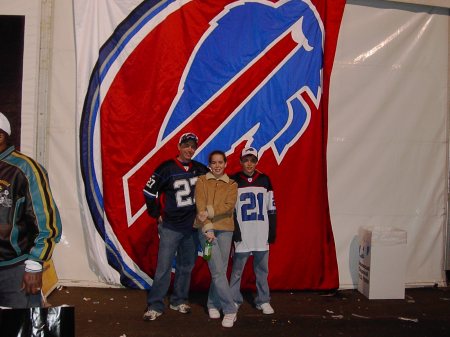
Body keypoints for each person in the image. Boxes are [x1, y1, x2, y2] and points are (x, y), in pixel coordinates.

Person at [142, 132, 208, 321]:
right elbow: (148, 191)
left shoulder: (200, 169)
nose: (190, 149)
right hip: (171, 226)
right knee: (163, 267)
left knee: (186, 266)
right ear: (179, 146)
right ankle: (155, 304)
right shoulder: (166, 168)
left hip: (192, 227)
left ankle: (178, 300)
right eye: (186, 145)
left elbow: (213, 190)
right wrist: (157, 214)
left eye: (193, 146)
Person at [0, 112, 62, 308]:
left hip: (14, 268)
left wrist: (35, 264)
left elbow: (47, 222)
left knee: (21, 327)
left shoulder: (26, 169)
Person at [229, 147, 277, 314]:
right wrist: (235, 230)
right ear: (241, 161)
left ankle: (263, 300)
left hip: (261, 233)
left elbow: (271, 207)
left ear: (257, 161)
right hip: (243, 233)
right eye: (246, 160)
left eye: (252, 160)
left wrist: (272, 229)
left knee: (262, 271)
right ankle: (234, 299)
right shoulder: (233, 180)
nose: (249, 163)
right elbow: (230, 209)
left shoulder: (264, 179)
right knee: (236, 271)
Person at [194, 150, 238, 328]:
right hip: (206, 230)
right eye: (214, 162)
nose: (217, 165)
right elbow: (200, 204)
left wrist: (209, 212)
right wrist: (208, 228)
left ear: (226, 164)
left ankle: (212, 303)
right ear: (209, 164)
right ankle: (230, 309)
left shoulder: (232, 184)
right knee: (218, 271)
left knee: (221, 269)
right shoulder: (202, 181)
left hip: (226, 230)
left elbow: (229, 206)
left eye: (221, 162)